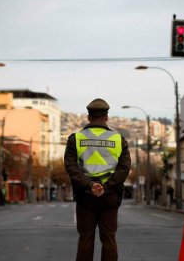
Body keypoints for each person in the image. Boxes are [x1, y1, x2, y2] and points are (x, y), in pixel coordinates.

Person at [64, 98, 131, 261]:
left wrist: (89, 185)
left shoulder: (75, 139)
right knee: (109, 238)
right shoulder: (118, 140)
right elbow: (124, 168)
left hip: (85, 196)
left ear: (88, 117)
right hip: (109, 197)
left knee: (85, 238)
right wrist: (106, 187)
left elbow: (70, 167)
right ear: (106, 117)